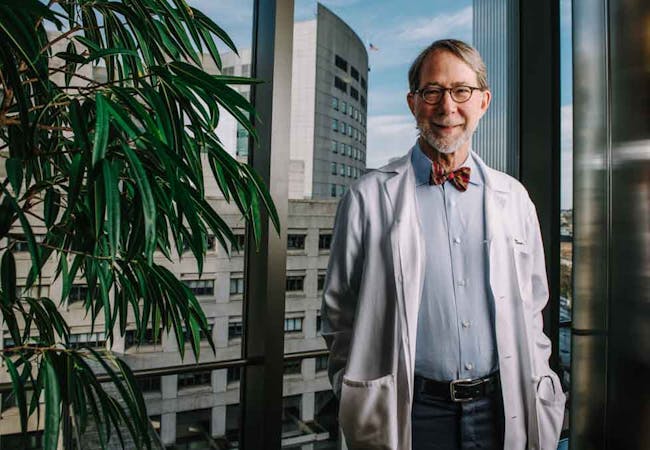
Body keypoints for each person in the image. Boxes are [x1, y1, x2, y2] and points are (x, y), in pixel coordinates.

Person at [321, 39, 566, 450]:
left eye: (461, 91)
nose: (447, 107)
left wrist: (539, 372)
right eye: (432, 91)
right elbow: (338, 315)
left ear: (483, 102)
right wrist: (353, 390)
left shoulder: (515, 197)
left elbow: (534, 303)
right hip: (410, 412)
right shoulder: (367, 197)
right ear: (413, 103)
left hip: (501, 408)